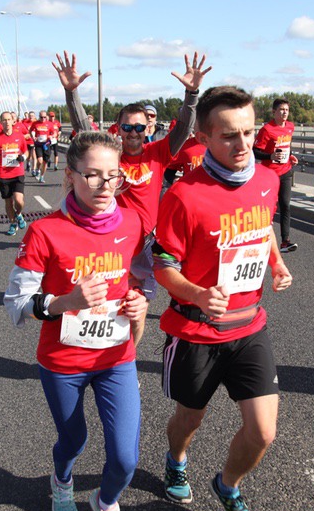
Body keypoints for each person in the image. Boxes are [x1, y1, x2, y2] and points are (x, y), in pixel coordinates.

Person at [152, 86, 293, 511]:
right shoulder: (184, 195)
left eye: (248, 132)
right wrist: (196, 293)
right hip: (196, 331)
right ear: (204, 137)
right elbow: (163, 265)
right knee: (189, 420)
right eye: (229, 135)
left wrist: (276, 264)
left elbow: (262, 226)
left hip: (249, 326)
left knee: (264, 432)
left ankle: (228, 485)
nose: (243, 143)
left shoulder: (267, 179)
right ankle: (176, 460)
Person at [4, 131, 148, 511]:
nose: (105, 186)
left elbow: (143, 274)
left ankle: (106, 503)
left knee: (126, 458)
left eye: (113, 176)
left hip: (116, 357)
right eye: (92, 175)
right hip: (63, 361)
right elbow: (15, 304)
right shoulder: (45, 231)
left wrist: (140, 299)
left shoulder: (133, 223)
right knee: (74, 440)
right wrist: (66, 301)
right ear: (70, 176)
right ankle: (62, 480)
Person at [53, 50, 210, 345]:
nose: (134, 133)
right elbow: (83, 130)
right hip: (111, 240)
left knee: (137, 310)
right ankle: (95, 353)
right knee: (107, 304)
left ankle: (127, 358)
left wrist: (192, 94)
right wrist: (71, 92)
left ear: (147, 128)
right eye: (127, 127)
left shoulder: (159, 152)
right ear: (119, 129)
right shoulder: (110, 154)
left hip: (147, 243)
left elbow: (185, 126)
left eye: (139, 127)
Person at [254, 98, 299, 252]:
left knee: (285, 205)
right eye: (281, 110)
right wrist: (270, 156)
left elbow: (286, 145)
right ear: (274, 112)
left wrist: (290, 156)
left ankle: (285, 241)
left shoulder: (290, 127)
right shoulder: (267, 129)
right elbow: (255, 151)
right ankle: (261, 238)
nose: (284, 113)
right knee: (268, 208)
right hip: (270, 175)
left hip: (285, 172)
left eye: (286, 110)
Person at [0, 111, 29, 236]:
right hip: (3, 174)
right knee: (8, 202)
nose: (7, 122)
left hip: (17, 172)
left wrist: (23, 157)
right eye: (4, 120)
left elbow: (26, 151)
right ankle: (12, 223)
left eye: (9, 119)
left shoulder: (19, 136)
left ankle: (18, 214)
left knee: (19, 200)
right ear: (1, 122)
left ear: (13, 121)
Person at [31, 112, 54, 183]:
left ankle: (42, 176)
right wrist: (33, 137)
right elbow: (31, 130)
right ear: (39, 117)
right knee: (40, 160)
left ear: (46, 117)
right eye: (41, 117)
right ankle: (38, 170)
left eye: (44, 117)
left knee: (45, 162)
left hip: (46, 144)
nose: (43, 119)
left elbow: (54, 133)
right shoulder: (35, 123)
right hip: (38, 144)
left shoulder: (49, 124)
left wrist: (51, 136)